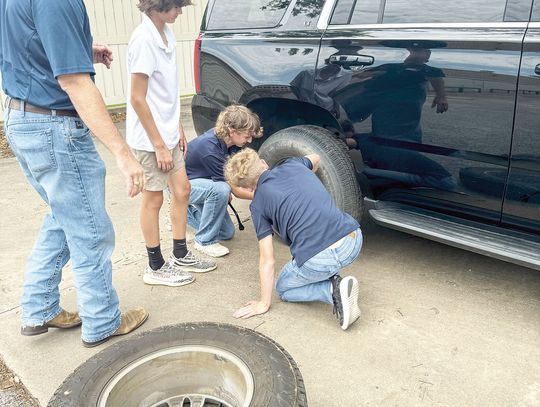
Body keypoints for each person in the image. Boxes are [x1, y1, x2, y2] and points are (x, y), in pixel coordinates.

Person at [0, 0, 148, 347]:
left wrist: (78, 50)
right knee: (90, 231)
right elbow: (75, 82)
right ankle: (102, 320)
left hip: (21, 118)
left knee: (63, 216)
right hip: (53, 126)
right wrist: (123, 153)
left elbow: (22, 44)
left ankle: (39, 308)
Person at [127, 0, 216, 286]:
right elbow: (138, 98)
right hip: (149, 138)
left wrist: (176, 127)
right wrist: (159, 145)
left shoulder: (167, 34)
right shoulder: (143, 40)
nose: (180, 12)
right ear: (158, 5)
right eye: (176, 6)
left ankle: (180, 253)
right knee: (153, 198)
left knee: (182, 190)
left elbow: (165, 90)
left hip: (166, 132)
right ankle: (155, 266)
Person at [224, 148, 363, 330]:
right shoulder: (293, 164)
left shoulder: (258, 204)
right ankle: (332, 275)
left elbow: (268, 260)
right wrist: (305, 175)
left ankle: (332, 289)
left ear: (247, 188)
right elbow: (316, 157)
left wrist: (263, 303)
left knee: (283, 289)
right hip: (352, 240)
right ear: (264, 163)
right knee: (318, 257)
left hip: (319, 258)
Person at [185, 105, 263, 257]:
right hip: (180, 186)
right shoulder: (209, 149)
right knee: (221, 190)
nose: (250, 140)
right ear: (232, 131)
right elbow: (234, 190)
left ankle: (184, 214)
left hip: (202, 182)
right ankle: (204, 241)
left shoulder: (229, 143)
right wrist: (265, 195)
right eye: (247, 136)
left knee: (226, 232)